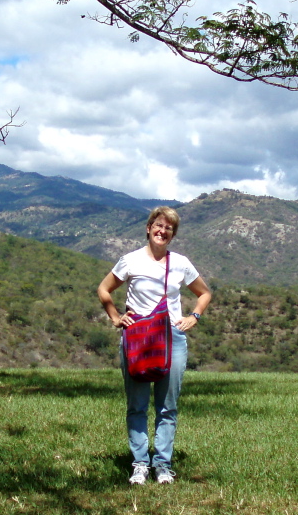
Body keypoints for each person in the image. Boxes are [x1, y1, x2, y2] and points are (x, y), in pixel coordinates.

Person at [98, 206, 212, 485]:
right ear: (148, 228)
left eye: (168, 228)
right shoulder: (130, 260)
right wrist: (115, 317)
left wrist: (193, 316)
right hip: (137, 339)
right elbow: (104, 289)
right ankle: (139, 464)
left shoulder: (181, 263)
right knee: (137, 404)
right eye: (158, 226)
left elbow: (204, 293)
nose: (162, 231)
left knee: (167, 406)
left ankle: (162, 464)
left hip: (172, 338)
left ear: (173, 234)